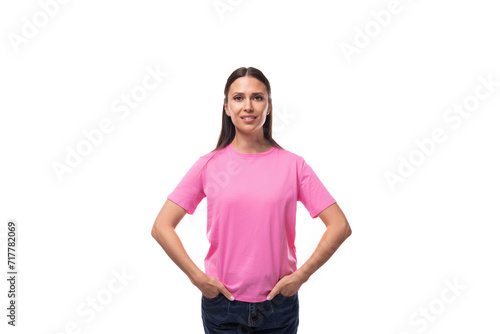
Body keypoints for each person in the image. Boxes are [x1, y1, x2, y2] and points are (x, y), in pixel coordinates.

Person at [151, 66, 352, 333]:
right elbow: (161, 226)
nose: (248, 106)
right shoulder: (209, 165)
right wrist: (198, 279)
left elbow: (339, 225)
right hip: (222, 305)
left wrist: (301, 276)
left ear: (269, 107)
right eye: (238, 98)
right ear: (226, 107)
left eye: (257, 97)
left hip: (278, 305)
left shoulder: (293, 166)